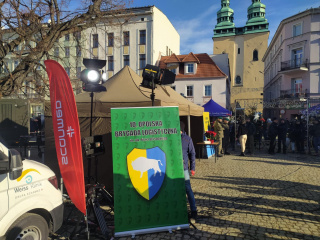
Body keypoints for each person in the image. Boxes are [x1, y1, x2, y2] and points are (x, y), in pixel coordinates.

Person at [180, 121, 197, 221]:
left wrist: (193, 168)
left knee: (188, 189)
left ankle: (194, 211)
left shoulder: (187, 139)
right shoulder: (171, 138)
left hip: (184, 168)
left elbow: (192, 154)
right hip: (173, 169)